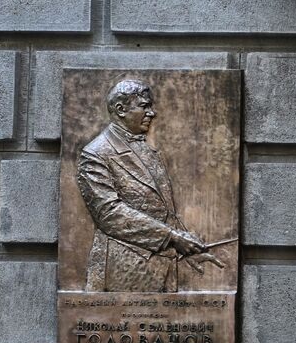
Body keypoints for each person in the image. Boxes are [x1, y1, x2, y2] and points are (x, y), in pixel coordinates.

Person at [77, 78, 217, 292]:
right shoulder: (95, 154)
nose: (152, 113)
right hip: (123, 271)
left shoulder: (147, 150)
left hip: (162, 268)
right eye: (144, 106)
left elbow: (164, 210)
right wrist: (172, 237)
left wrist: (187, 248)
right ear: (121, 109)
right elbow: (109, 214)